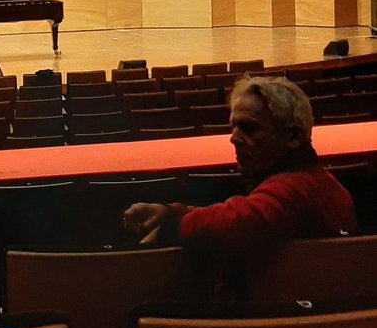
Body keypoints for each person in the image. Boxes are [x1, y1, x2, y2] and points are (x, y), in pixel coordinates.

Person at [123, 75, 357, 294]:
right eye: (233, 126)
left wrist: (170, 229)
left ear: (293, 137)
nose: (233, 138)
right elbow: (241, 212)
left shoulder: (293, 188)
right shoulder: (313, 180)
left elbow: (236, 221)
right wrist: (170, 212)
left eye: (248, 127)